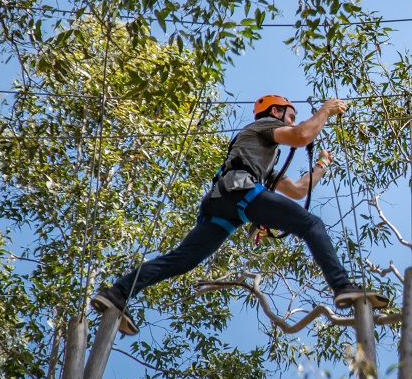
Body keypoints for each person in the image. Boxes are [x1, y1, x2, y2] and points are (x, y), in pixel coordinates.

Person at [91, 94, 386, 336]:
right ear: (275, 112)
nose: (293, 120)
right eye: (291, 114)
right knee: (311, 224)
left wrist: (321, 164)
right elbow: (301, 135)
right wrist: (325, 110)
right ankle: (342, 287)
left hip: (225, 204)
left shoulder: (258, 157)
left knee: (181, 260)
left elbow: (297, 190)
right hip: (238, 192)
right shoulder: (262, 127)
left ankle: (118, 292)